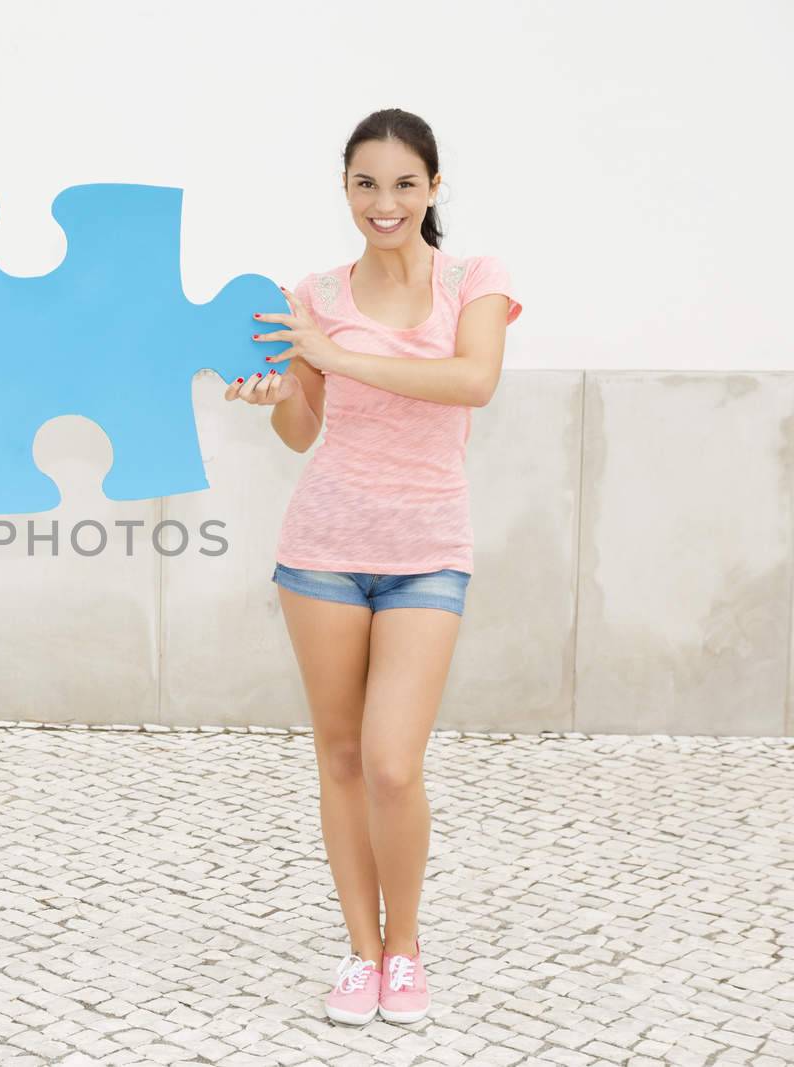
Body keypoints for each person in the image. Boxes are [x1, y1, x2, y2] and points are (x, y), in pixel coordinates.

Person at [226, 108, 521, 1025]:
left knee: (395, 763)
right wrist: (277, 389)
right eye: (365, 184)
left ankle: (409, 946)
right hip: (322, 550)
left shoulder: (474, 280)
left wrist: (338, 353)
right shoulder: (312, 294)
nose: (383, 202)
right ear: (345, 189)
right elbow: (304, 429)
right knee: (343, 755)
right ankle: (362, 953)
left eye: (403, 184)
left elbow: (473, 380)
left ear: (433, 188)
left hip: (428, 551)